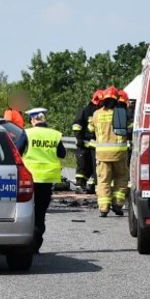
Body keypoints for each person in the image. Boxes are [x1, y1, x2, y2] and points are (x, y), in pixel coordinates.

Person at [21, 108, 66, 252]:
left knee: (27, 211)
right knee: (40, 213)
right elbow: (62, 154)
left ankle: (26, 242)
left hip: (29, 178)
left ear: (33, 120)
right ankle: (36, 245)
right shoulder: (54, 134)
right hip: (47, 179)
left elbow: (17, 150)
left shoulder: (27, 133)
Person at [91, 87, 131, 217]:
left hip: (102, 154)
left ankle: (104, 208)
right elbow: (130, 130)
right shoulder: (121, 113)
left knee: (103, 181)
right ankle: (118, 204)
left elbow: (90, 128)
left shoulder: (97, 114)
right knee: (121, 178)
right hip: (120, 153)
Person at [70, 90, 103, 193]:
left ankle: (91, 186)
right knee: (82, 166)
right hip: (84, 144)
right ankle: (80, 184)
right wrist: (79, 139)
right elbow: (77, 125)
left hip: (95, 145)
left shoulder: (102, 112)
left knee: (94, 166)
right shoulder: (85, 110)